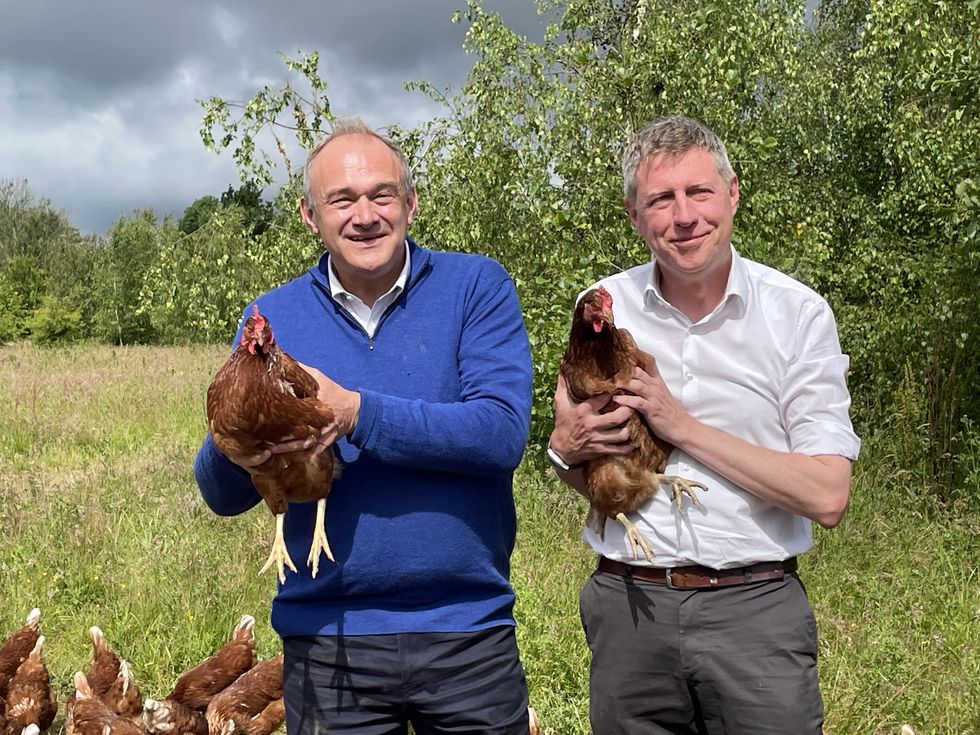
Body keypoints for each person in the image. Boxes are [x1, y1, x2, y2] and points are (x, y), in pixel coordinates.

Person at [193, 117, 534, 734]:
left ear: (410, 202)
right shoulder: (272, 316)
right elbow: (220, 495)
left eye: (381, 194)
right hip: (328, 640)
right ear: (309, 216)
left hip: (466, 632)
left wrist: (357, 412)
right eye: (341, 199)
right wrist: (243, 435)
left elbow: (501, 432)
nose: (364, 214)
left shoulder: (475, 287)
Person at [547, 116, 861, 735]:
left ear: (733, 193)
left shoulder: (796, 314)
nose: (684, 216)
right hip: (629, 606)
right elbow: (579, 458)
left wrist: (681, 427)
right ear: (636, 215)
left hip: (755, 610)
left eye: (699, 192)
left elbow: (827, 494)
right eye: (661, 199)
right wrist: (561, 453)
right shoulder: (602, 307)